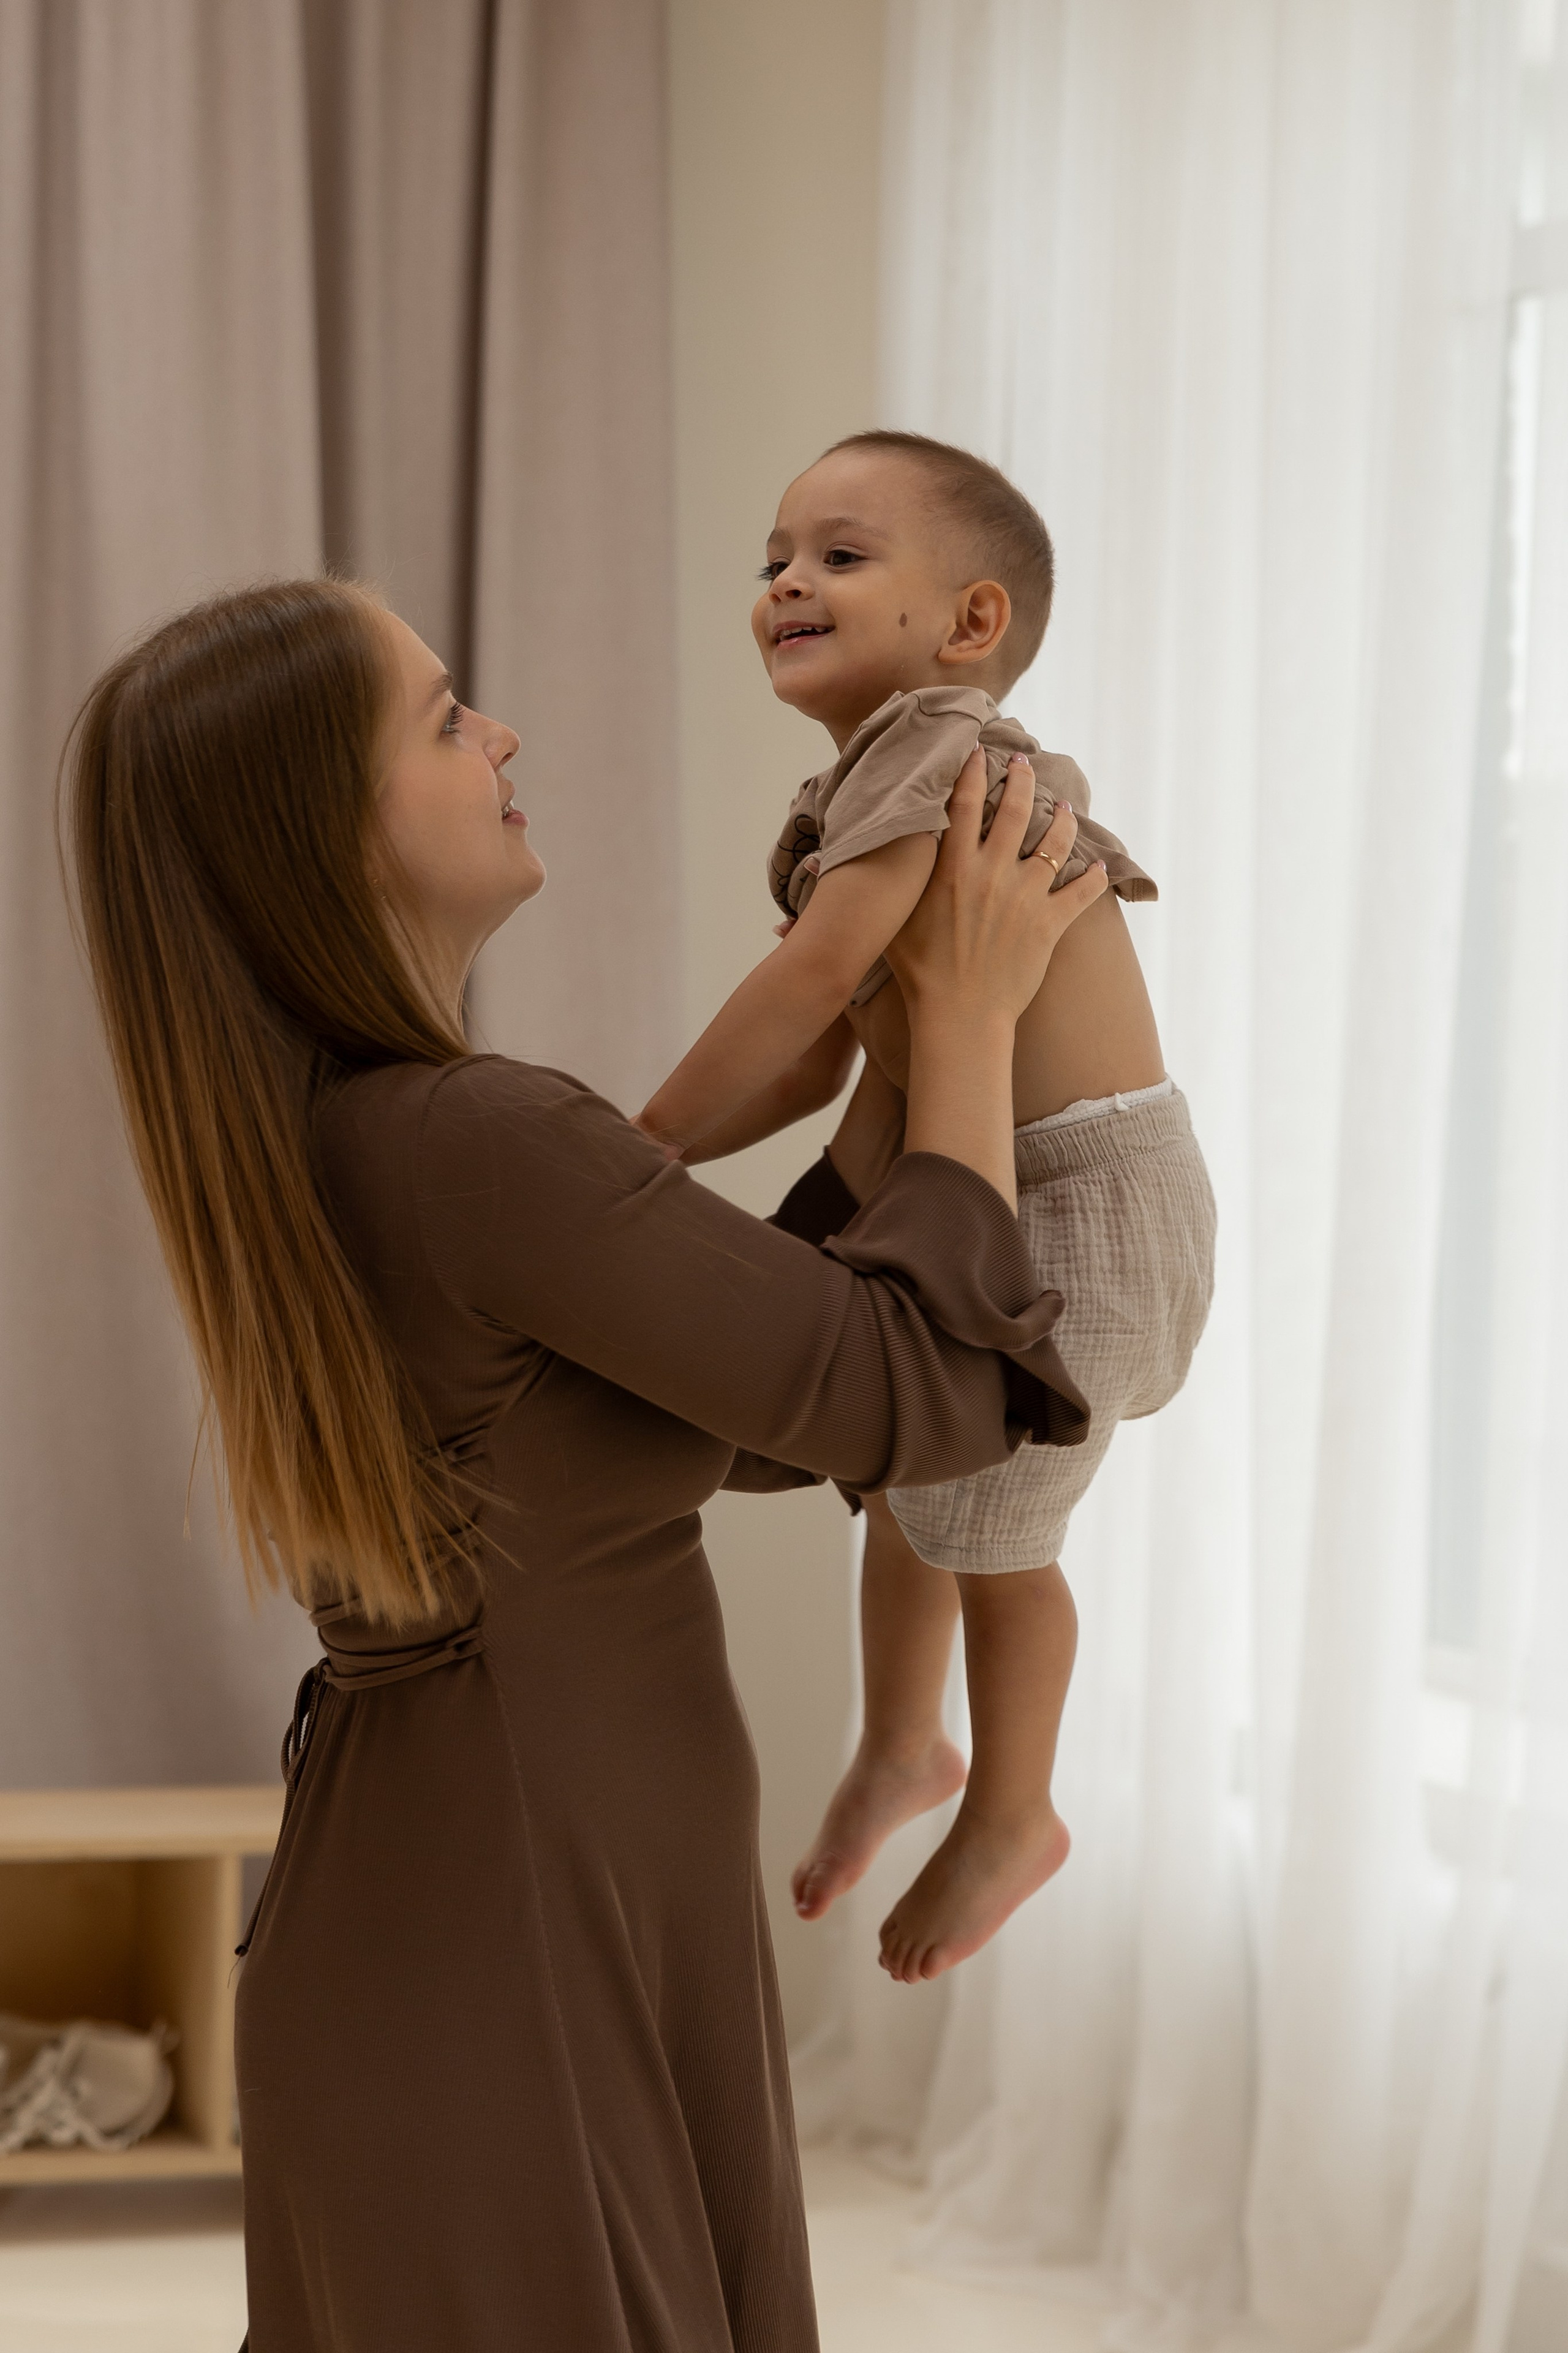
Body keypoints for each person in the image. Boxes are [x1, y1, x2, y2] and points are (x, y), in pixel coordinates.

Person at [61, 575, 1107, 2352]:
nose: (504, 735)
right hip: (527, 1911)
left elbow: (748, 1395)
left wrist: (891, 1061)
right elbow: (908, 1399)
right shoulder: (469, 1134)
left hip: (460, 1893)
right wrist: (971, 1023)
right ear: (329, 825)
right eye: (448, 712)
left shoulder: (339, 1138)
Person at [639, 431, 1216, 1985]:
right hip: (987, 1182)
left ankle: (1015, 1805)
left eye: (836, 555)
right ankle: (905, 1743)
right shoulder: (863, 783)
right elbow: (824, 1057)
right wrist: (669, 1162)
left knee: (998, 1531)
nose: (783, 583)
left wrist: (636, 1143)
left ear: (968, 623)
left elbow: (809, 985)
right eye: (772, 559)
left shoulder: (942, 746)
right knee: (904, 1472)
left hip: (1081, 1200)